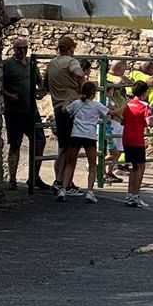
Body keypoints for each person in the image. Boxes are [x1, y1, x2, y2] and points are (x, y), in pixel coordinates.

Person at [1, 35, 46, 191]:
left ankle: (34, 177)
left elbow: (39, 82)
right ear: (14, 49)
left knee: (40, 141)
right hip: (14, 111)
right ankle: (12, 179)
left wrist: (41, 91)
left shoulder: (31, 65)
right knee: (15, 144)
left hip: (31, 110)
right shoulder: (6, 65)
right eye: (19, 48)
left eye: (25, 48)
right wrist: (8, 95)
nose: (22, 51)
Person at [59, 80, 113, 204]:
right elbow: (111, 113)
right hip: (90, 136)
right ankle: (89, 191)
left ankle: (63, 189)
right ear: (93, 94)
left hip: (76, 135)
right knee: (93, 165)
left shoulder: (76, 103)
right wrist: (123, 107)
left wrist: (65, 103)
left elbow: (65, 111)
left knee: (70, 163)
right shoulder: (97, 105)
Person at [45, 35, 85, 194]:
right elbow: (79, 73)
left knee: (63, 146)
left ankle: (60, 180)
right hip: (72, 106)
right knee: (72, 147)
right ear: (70, 49)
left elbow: (45, 83)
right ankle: (65, 183)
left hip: (58, 106)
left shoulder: (51, 63)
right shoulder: (71, 61)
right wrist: (81, 87)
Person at [120, 80, 153, 208]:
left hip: (126, 138)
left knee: (133, 167)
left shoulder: (128, 104)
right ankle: (136, 196)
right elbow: (149, 122)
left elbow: (123, 120)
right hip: (137, 139)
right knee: (140, 167)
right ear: (144, 92)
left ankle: (129, 194)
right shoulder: (144, 105)